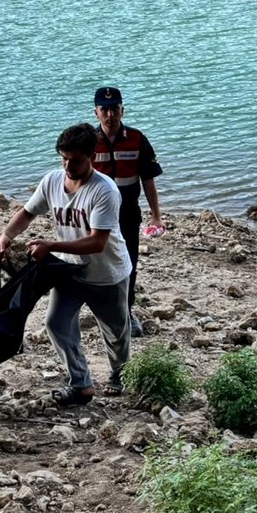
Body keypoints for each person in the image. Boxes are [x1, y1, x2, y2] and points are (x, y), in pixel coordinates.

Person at [0, 122, 132, 405]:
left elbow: (97, 242)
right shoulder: (52, 181)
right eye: (64, 158)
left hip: (107, 274)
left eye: (76, 160)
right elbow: (27, 212)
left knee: (116, 333)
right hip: (69, 270)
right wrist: (7, 235)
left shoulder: (104, 191)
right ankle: (81, 383)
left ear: (91, 157)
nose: (69, 166)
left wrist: (51, 245)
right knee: (56, 323)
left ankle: (120, 374)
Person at [90, 86, 164, 338]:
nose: (110, 115)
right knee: (95, 261)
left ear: (122, 110)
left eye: (114, 109)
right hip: (94, 215)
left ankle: (126, 311)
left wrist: (156, 215)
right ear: (96, 112)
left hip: (128, 213)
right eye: (104, 109)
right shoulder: (88, 141)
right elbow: (74, 177)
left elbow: (149, 179)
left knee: (128, 262)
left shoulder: (136, 138)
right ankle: (99, 310)